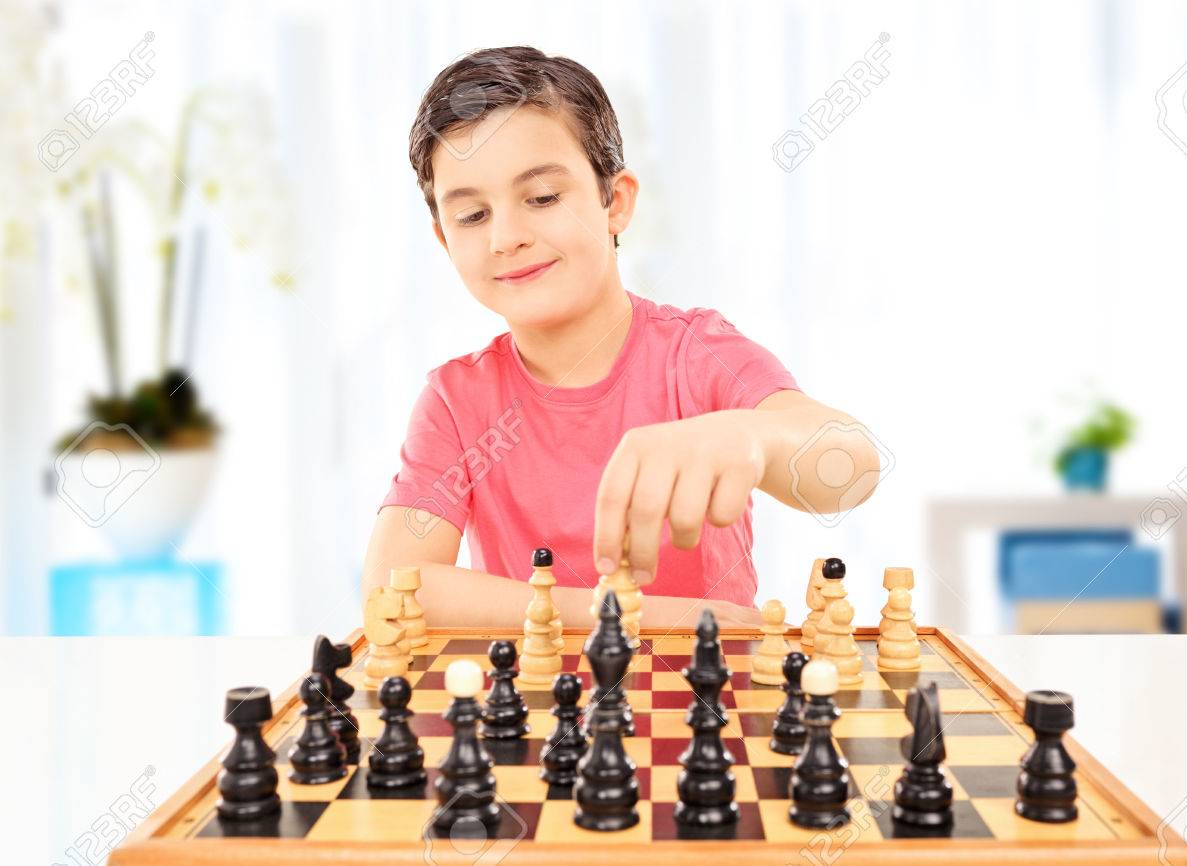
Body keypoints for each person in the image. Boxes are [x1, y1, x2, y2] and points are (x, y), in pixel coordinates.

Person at [362, 46, 879, 629]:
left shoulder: (695, 354)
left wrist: (753, 435)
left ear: (616, 201)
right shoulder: (457, 400)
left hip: (710, 707)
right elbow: (392, 591)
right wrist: (637, 616)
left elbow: (852, 466)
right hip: (538, 714)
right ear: (443, 240)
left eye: (542, 198)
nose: (506, 237)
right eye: (472, 216)